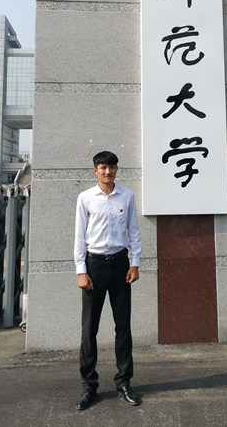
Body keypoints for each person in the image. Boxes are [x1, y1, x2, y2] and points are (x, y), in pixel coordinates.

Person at [74, 150, 142, 410]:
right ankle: (89, 386)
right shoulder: (86, 198)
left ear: (116, 169)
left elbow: (133, 231)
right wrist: (81, 270)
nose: (107, 171)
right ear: (95, 171)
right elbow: (80, 236)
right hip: (94, 266)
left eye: (111, 167)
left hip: (121, 264)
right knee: (89, 328)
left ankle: (124, 382)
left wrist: (135, 263)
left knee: (123, 326)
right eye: (102, 167)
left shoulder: (127, 195)